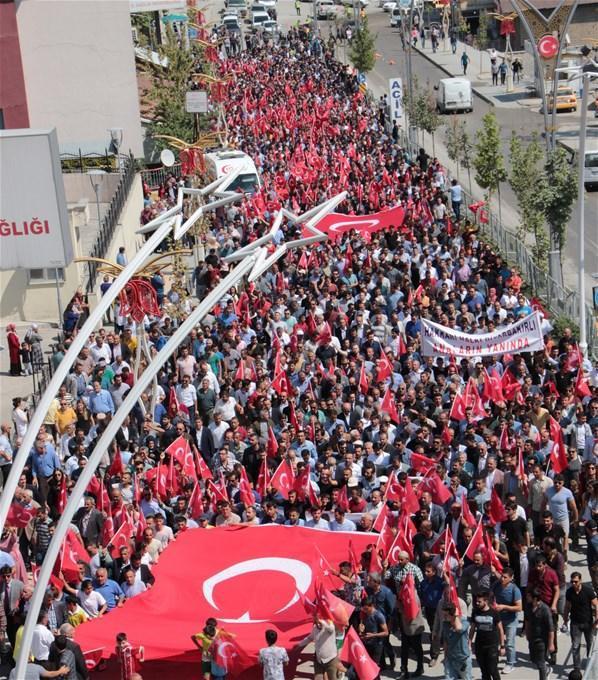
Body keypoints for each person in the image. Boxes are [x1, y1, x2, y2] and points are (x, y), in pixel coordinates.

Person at [563, 571, 598, 670]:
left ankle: (590, 665)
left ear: (580, 581)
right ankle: (577, 668)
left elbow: (596, 604)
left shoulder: (588, 591)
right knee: (575, 646)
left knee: (590, 645)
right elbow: (567, 606)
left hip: (588, 623)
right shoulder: (569, 592)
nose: (573, 583)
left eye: (576, 581)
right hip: (575, 623)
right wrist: (565, 620)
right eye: (572, 581)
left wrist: (596, 621)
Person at [491, 567, 522, 674]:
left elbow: (519, 608)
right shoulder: (496, 585)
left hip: (511, 620)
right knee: (495, 640)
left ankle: (510, 663)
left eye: (505, 577)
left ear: (511, 578)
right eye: (502, 576)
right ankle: (495, 659)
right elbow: (491, 597)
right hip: (498, 619)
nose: (502, 579)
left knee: (509, 643)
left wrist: (504, 607)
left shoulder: (515, 590)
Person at [469, 590, 504, 680]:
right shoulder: (475, 612)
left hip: (492, 646)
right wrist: (469, 643)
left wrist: (502, 646)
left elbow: (500, 629)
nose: (477, 603)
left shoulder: (494, 613)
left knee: (493, 669)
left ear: (486, 601)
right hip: (479, 646)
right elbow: (472, 628)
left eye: (479, 601)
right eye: (476, 601)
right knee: (484, 671)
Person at [296, 613, 338, 680]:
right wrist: (299, 644)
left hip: (331, 659)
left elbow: (331, 628)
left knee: (332, 678)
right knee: (318, 678)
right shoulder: (315, 627)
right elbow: (310, 638)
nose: (314, 619)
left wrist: (321, 621)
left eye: (316, 617)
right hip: (318, 659)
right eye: (314, 617)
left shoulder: (329, 626)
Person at [526, 588, 555, 680]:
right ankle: (546, 669)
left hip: (542, 640)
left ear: (535, 598)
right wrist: (527, 633)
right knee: (534, 660)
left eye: (529, 596)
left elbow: (551, 628)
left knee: (541, 663)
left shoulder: (545, 609)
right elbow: (527, 620)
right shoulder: (528, 606)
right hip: (532, 638)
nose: (527, 597)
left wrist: (551, 644)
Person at [441, 602, 472, 680]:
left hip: (463, 659)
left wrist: (456, 616)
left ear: (453, 614)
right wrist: (445, 658)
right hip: (450, 659)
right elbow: (445, 641)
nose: (444, 617)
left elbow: (459, 628)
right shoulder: (445, 624)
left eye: (446, 615)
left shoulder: (464, 622)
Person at [359, 597, 388, 671]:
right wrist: (361, 628)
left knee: (374, 668)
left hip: (377, 645)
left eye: (366, 609)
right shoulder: (364, 614)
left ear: (372, 606)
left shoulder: (379, 616)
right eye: (363, 609)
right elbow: (363, 627)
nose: (365, 611)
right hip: (367, 644)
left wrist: (373, 635)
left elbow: (386, 632)